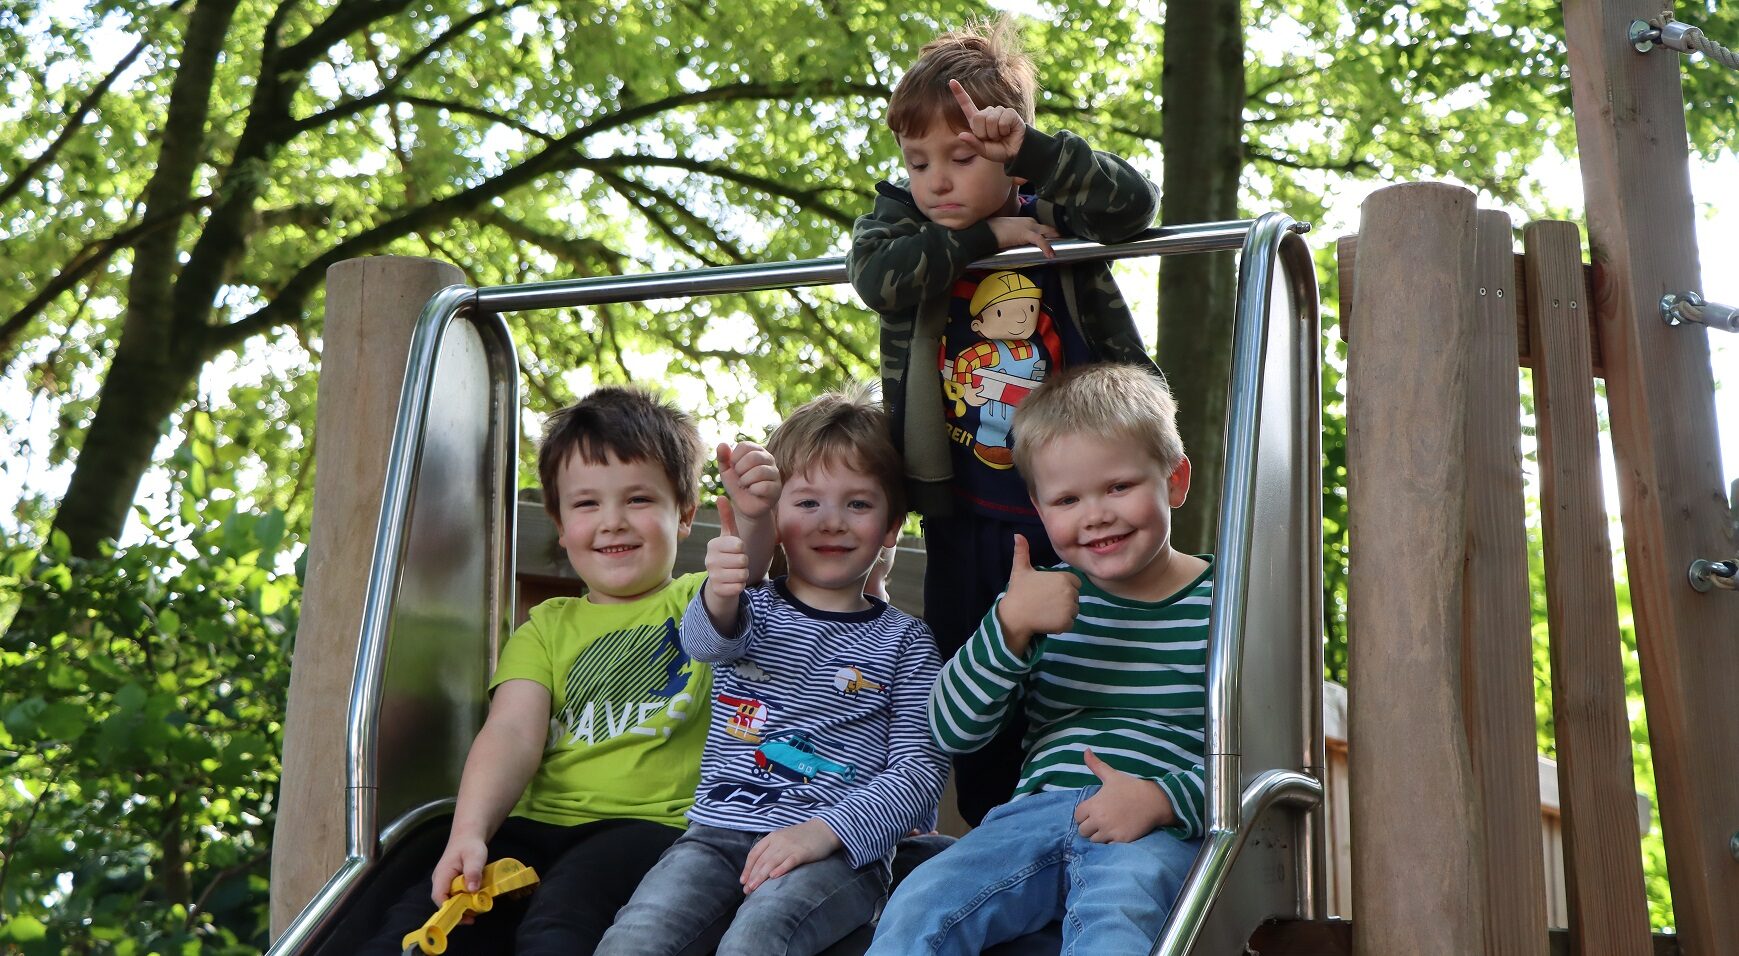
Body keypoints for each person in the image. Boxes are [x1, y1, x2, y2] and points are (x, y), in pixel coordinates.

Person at [845, 16, 1161, 824]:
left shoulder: (1056, 200)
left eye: (963, 158)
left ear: (1007, 149)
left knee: (1078, 677)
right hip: (967, 510)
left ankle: (1093, 819)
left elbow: (1134, 206)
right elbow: (879, 280)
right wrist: (987, 240)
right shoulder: (900, 223)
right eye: (919, 161)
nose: (936, 180)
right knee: (974, 674)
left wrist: (1035, 155)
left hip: (1078, 508)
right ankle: (992, 830)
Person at [361, 387, 779, 955]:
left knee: (562, 919)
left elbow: (744, 578)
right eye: (586, 504)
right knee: (426, 919)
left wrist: (755, 520)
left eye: (637, 500)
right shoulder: (546, 628)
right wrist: (469, 833)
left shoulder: (696, 601)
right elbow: (511, 732)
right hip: (537, 826)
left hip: (653, 830)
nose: (612, 522)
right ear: (560, 525)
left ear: (683, 515)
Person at [867, 364, 1213, 954]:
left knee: (1120, 919)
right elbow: (950, 728)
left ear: (1174, 481)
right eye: (1068, 499)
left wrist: (1164, 800)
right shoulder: (1037, 598)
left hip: (1150, 825)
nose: (1095, 514)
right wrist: (1010, 626)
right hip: (1033, 814)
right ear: (1038, 505)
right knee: (919, 904)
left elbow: (1259, 753)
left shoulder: (1226, 605)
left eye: (1119, 487)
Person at [598, 387, 949, 956]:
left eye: (858, 504)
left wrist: (824, 832)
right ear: (779, 515)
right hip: (715, 835)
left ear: (891, 528)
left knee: (756, 939)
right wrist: (723, 580)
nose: (831, 521)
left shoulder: (906, 642)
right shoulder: (751, 606)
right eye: (807, 502)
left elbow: (918, 776)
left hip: (838, 852)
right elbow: (703, 641)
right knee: (634, 938)